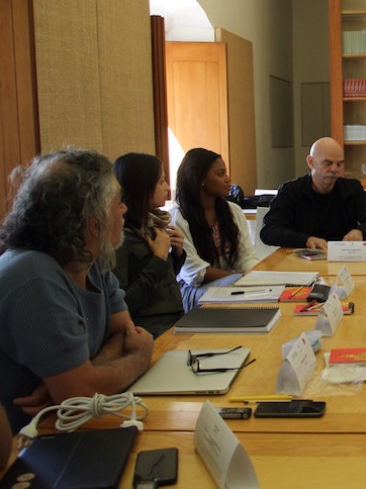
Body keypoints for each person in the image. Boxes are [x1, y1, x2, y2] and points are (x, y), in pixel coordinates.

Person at [0, 150, 153, 432]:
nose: (124, 210)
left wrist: (81, 376)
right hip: (26, 449)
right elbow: (79, 396)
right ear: (94, 224)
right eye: (118, 203)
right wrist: (139, 357)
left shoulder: (89, 258)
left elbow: (123, 332)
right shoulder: (33, 277)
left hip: (67, 427)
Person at [172, 148, 259, 311]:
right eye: (220, 174)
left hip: (231, 283)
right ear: (200, 179)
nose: (228, 179)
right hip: (194, 291)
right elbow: (196, 273)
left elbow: (246, 257)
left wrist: (258, 276)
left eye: (226, 173)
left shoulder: (233, 210)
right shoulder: (179, 218)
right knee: (237, 288)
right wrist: (241, 279)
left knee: (261, 289)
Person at [260, 137, 366, 250]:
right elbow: (269, 231)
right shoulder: (291, 191)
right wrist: (306, 240)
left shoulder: (352, 189)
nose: (334, 169)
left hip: (344, 257)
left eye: (339, 164)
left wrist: (360, 232)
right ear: (311, 162)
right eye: (328, 163)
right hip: (303, 259)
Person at [113, 153, 185, 336]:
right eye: (161, 182)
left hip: (176, 318)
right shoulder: (120, 238)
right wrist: (159, 259)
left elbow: (163, 281)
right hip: (150, 329)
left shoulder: (152, 225)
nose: (168, 188)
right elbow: (124, 303)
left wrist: (177, 254)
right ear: (141, 188)